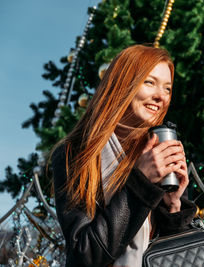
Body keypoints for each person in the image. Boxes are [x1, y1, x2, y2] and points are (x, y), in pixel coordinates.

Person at [50, 44, 196, 267]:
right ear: (122, 84)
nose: (161, 97)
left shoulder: (157, 152)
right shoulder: (75, 154)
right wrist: (141, 183)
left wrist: (173, 207)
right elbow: (84, 255)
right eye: (149, 82)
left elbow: (179, 257)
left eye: (167, 88)